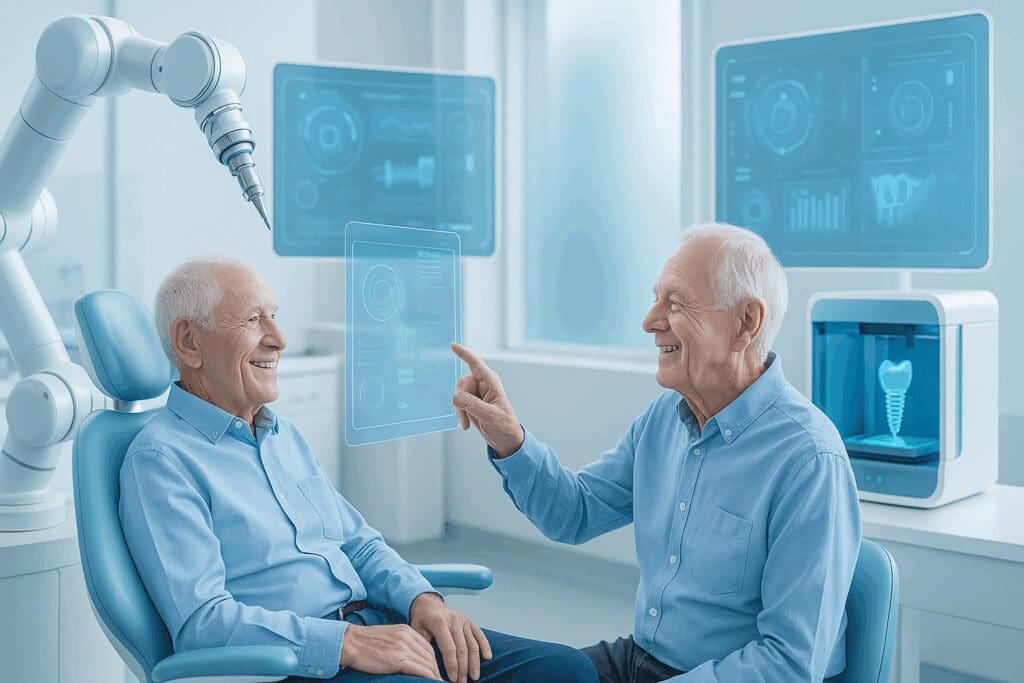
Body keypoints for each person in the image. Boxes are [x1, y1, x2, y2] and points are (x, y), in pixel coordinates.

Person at [120, 257, 597, 683]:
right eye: (252, 319)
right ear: (189, 342)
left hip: (380, 627)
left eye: (275, 316)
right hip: (301, 666)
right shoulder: (161, 461)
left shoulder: (280, 436)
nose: (279, 339)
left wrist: (422, 601)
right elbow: (204, 623)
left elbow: (358, 543)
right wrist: (346, 643)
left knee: (567, 670)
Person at [451, 223, 862, 682]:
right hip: (640, 661)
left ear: (746, 323)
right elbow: (576, 512)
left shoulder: (809, 461)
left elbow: (789, 663)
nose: (650, 321)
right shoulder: (664, 418)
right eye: (655, 298)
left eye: (676, 302)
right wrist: (509, 439)